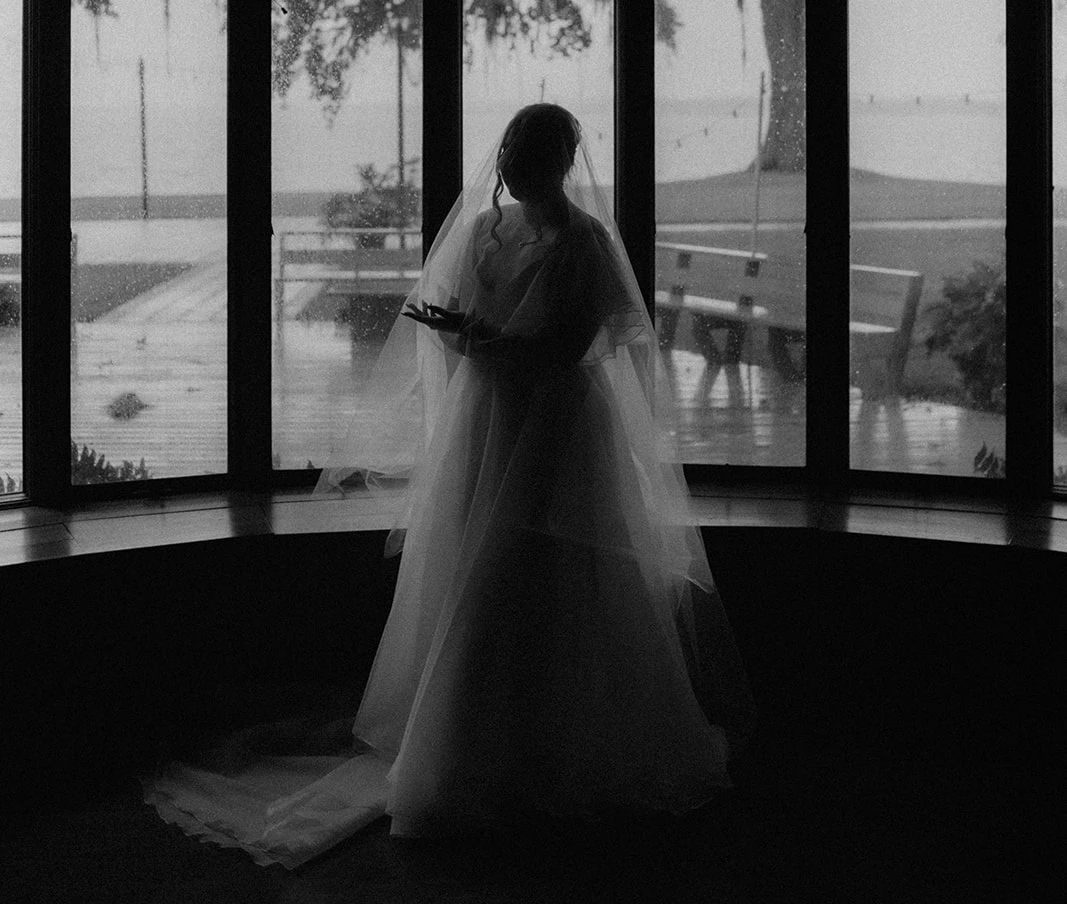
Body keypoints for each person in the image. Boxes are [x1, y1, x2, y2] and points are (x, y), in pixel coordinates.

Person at [144, 104, 754, 866]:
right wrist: (462, 336)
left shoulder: (585, 243)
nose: (509, 164)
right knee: (474, 563)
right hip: (486, 418)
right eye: (507, 149)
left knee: (544, 569)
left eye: (526, 152)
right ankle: (468, 739)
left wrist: (476, 338)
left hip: (556, 428)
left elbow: (567, 350)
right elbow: (473, 325)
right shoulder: (482, 232)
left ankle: (544, 746)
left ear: (561, 161)